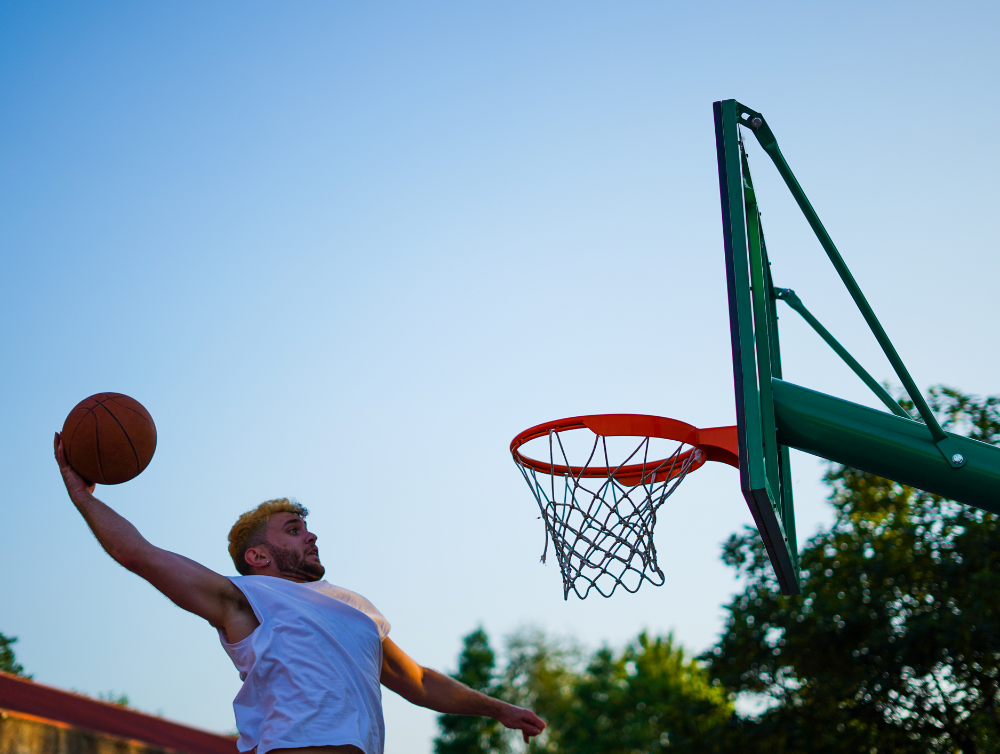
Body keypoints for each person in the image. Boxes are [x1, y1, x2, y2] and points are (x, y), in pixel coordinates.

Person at [54, 433, 545, 754]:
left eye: (307, 528)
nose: (310, 536)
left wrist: (498, 708)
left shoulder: (356, 608)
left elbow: (417, 680)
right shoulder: (246, 598)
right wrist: (83, 498)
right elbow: (141, 554)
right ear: (258, 556)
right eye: (293, 529)